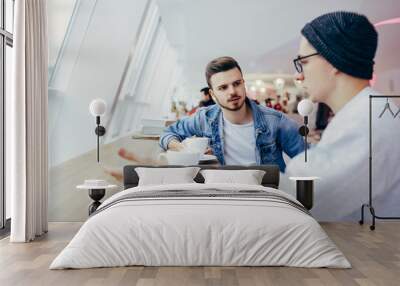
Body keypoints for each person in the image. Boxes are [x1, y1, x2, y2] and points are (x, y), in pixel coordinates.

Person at [281, 11, 400, 221]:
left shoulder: (369, 121)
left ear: (333, 59)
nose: (298, 75)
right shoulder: (367, 111)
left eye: (304, 62)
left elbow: (307, 198)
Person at [160, 56, 304, 171]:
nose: (232, 91)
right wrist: (187, 151)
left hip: (266, 196)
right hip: (225, 196)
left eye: (236, 83)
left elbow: (307, 159)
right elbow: (167, 134)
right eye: (223, 87)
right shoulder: (205, 118)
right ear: (212, 94)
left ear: (243, 83)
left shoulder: (275, 121)